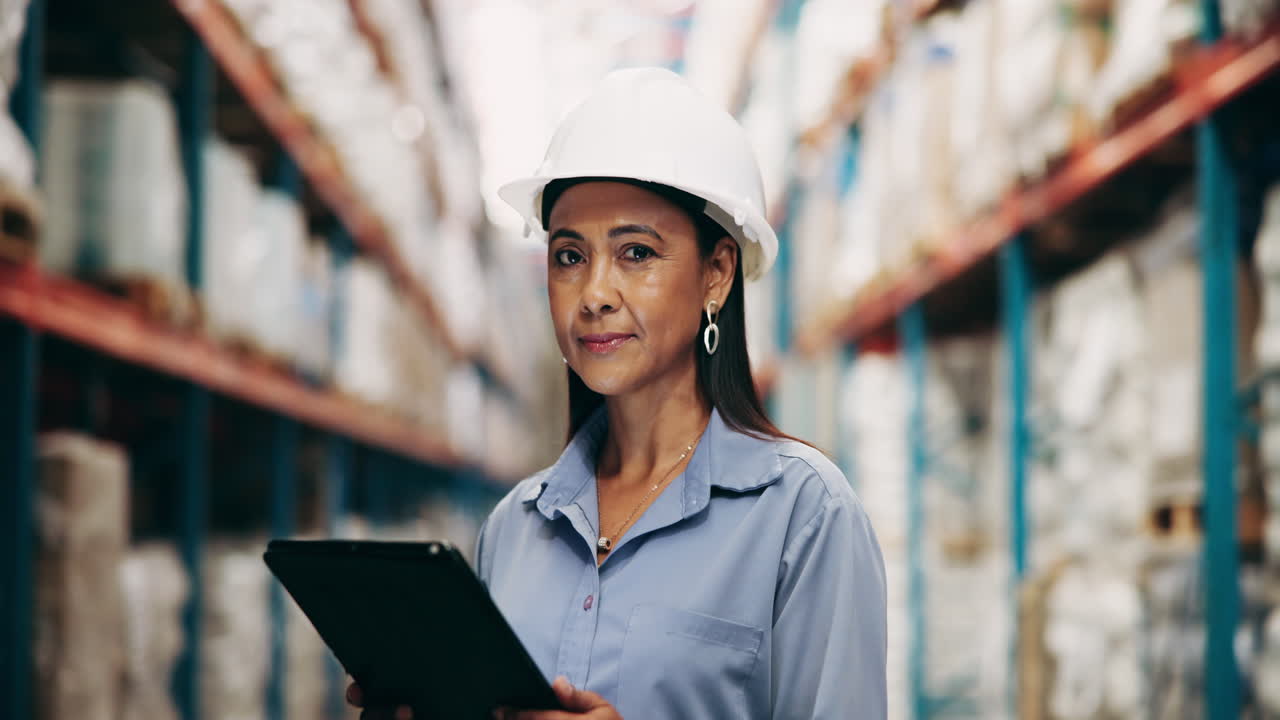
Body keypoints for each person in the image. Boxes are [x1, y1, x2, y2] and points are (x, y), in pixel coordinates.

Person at [349, 67, 887, 720]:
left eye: (636, 253)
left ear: (717, 275)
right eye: (569, 257)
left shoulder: (803, 516)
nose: (595, 294)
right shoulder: (516, 527)